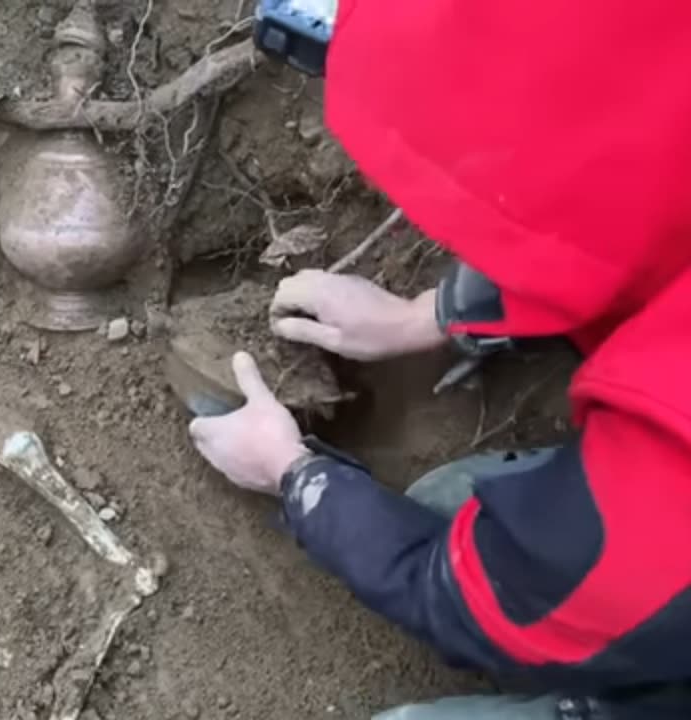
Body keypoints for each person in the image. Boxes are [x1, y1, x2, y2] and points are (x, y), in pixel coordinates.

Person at [189, 1, 691, 718]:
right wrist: (428, 316)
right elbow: (622, 215)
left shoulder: (665, 491)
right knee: (443, 503)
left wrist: (295, 477)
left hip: (661, 542)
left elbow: (474, 600)